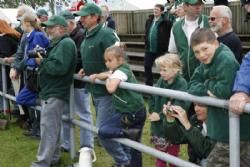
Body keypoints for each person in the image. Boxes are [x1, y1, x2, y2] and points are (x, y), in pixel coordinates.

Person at [74, 3, 130, 167]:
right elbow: (99, 58)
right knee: (111, 130)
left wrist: (105, 74)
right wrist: (87, 67)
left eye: (84, 16)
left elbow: (119, 61)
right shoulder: (87, 34)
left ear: (94, 17)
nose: (81, 19)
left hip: (108, 92)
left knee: (103, 132)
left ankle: (123, 161)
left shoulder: (106, 34)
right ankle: (124, 160)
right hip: (96, 90)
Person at [188, 28, 250, 167]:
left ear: (215, 43)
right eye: (197, 52)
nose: (201, 55)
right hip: (225, 128)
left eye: (205, 48)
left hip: (235, 130)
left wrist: (205, 83)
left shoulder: (225, 59)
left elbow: (224, 91)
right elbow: (191, 84)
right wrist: (210, 87)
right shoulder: (206, 60)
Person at [90, 43, 146, 167]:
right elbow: (107, 73)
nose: (107, 63)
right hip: (133, 110)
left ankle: (129, 133)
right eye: (105, 61)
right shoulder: (118, 70)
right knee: (134, 146)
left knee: (104, 131)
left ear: (120, 60)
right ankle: (129, 161)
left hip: (131, 112)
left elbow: (110, 88)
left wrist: (108, 78)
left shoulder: (121, 72)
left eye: (110, 60)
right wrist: (98, 76)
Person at [31, 15, 76, 167]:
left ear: (61, 28)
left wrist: (42, 62)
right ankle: (53, 158)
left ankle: (41, 163)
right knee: (52, 128)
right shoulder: (59, 43)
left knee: (48, 128)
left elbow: (59, 68)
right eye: (47, 26)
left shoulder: (66, 44)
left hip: (55, 91)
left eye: (51, 27)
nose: (47, 29)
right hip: (51, 90)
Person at [59, 10, 94, 153]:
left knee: (83, 113)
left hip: (79, 82)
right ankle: (66, 143)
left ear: (71, 23)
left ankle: (87, 146)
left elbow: (81, 58)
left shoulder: (81, 36)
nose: (60, 27)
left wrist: (65, 64)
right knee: (66, 113)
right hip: (68, 81)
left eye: (63, 25)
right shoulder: (65, 37)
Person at [148, 53, 189, 167]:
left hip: (172, 129)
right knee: (160, 158)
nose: (161, 73)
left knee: (172, 158)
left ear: (176, 69)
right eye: (160, 70)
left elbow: (180, 106)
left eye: (164, 70)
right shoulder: (161, 81)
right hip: (158, 128)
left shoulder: (182, 84)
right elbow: (152, 97)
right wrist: (153, 111)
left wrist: (160, 115)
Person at [15, 13, 49, 139]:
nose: (20, 25)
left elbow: (38, 56)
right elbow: (29, 56)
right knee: (22, 99)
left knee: (24, 99)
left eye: (21, 22)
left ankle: (45, 107)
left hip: (36, 74)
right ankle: (36, 128)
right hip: (31, 73)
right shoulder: (30, 36)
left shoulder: (37, 36)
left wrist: (21, 65)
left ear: (27, 23)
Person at [168, 0, 209, 81]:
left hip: (205, 78)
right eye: (194, 4)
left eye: (200, 4)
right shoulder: (176, 27)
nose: (198, 7)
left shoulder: (209, 22)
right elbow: (173, 52)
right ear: (185, 6)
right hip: (183, 78)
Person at [144, 4, 172, 86]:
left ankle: (163, 85)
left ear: (162, 11)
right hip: (149, 49)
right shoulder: (149, 20)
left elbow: (170, 35)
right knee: (147, 66)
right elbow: (147, 33)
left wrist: (166, 48)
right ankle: (149, 84)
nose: (155, 11)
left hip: (161, 50)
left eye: (157, 9)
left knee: (163, 69)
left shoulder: (166, 22)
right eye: (154, 9)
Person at [0, 19, 21, 113]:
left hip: (8, 69)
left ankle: (4, 110)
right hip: (12, 68)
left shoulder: (4, 39)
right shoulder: (12, 36)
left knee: (7, 90)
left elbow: (4, 54)